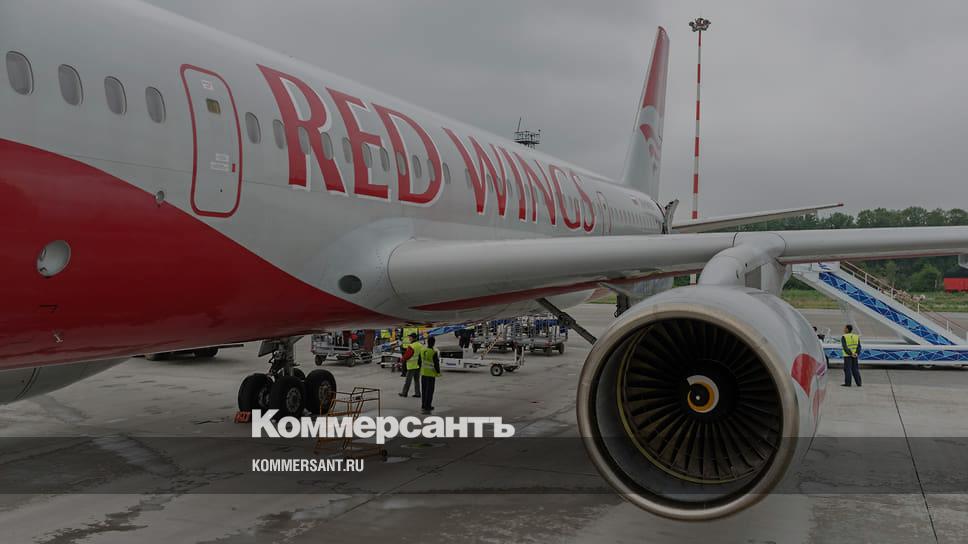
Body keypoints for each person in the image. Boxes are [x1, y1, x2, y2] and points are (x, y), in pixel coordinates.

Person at [420, 336, 441, 414]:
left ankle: (423, 404)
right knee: (429, 391)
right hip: (431, 374)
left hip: (423, 373)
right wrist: (438, 372)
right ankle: (427, 405)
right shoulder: (433, 352)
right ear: (433, 343)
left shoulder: (422, 350)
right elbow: (436, 363)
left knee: (424, 390)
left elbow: (419, 361)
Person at [399, 333, 422, 397]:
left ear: (412, 338)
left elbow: (407, 355)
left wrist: (402, 360)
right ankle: (418, 393)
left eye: (410, 337)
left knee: (408, 381)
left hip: (411, 366)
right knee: (417, 381)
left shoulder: (411, 346)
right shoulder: (420, 345)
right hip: (418, 365)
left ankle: (404, 393)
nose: (409, 338)